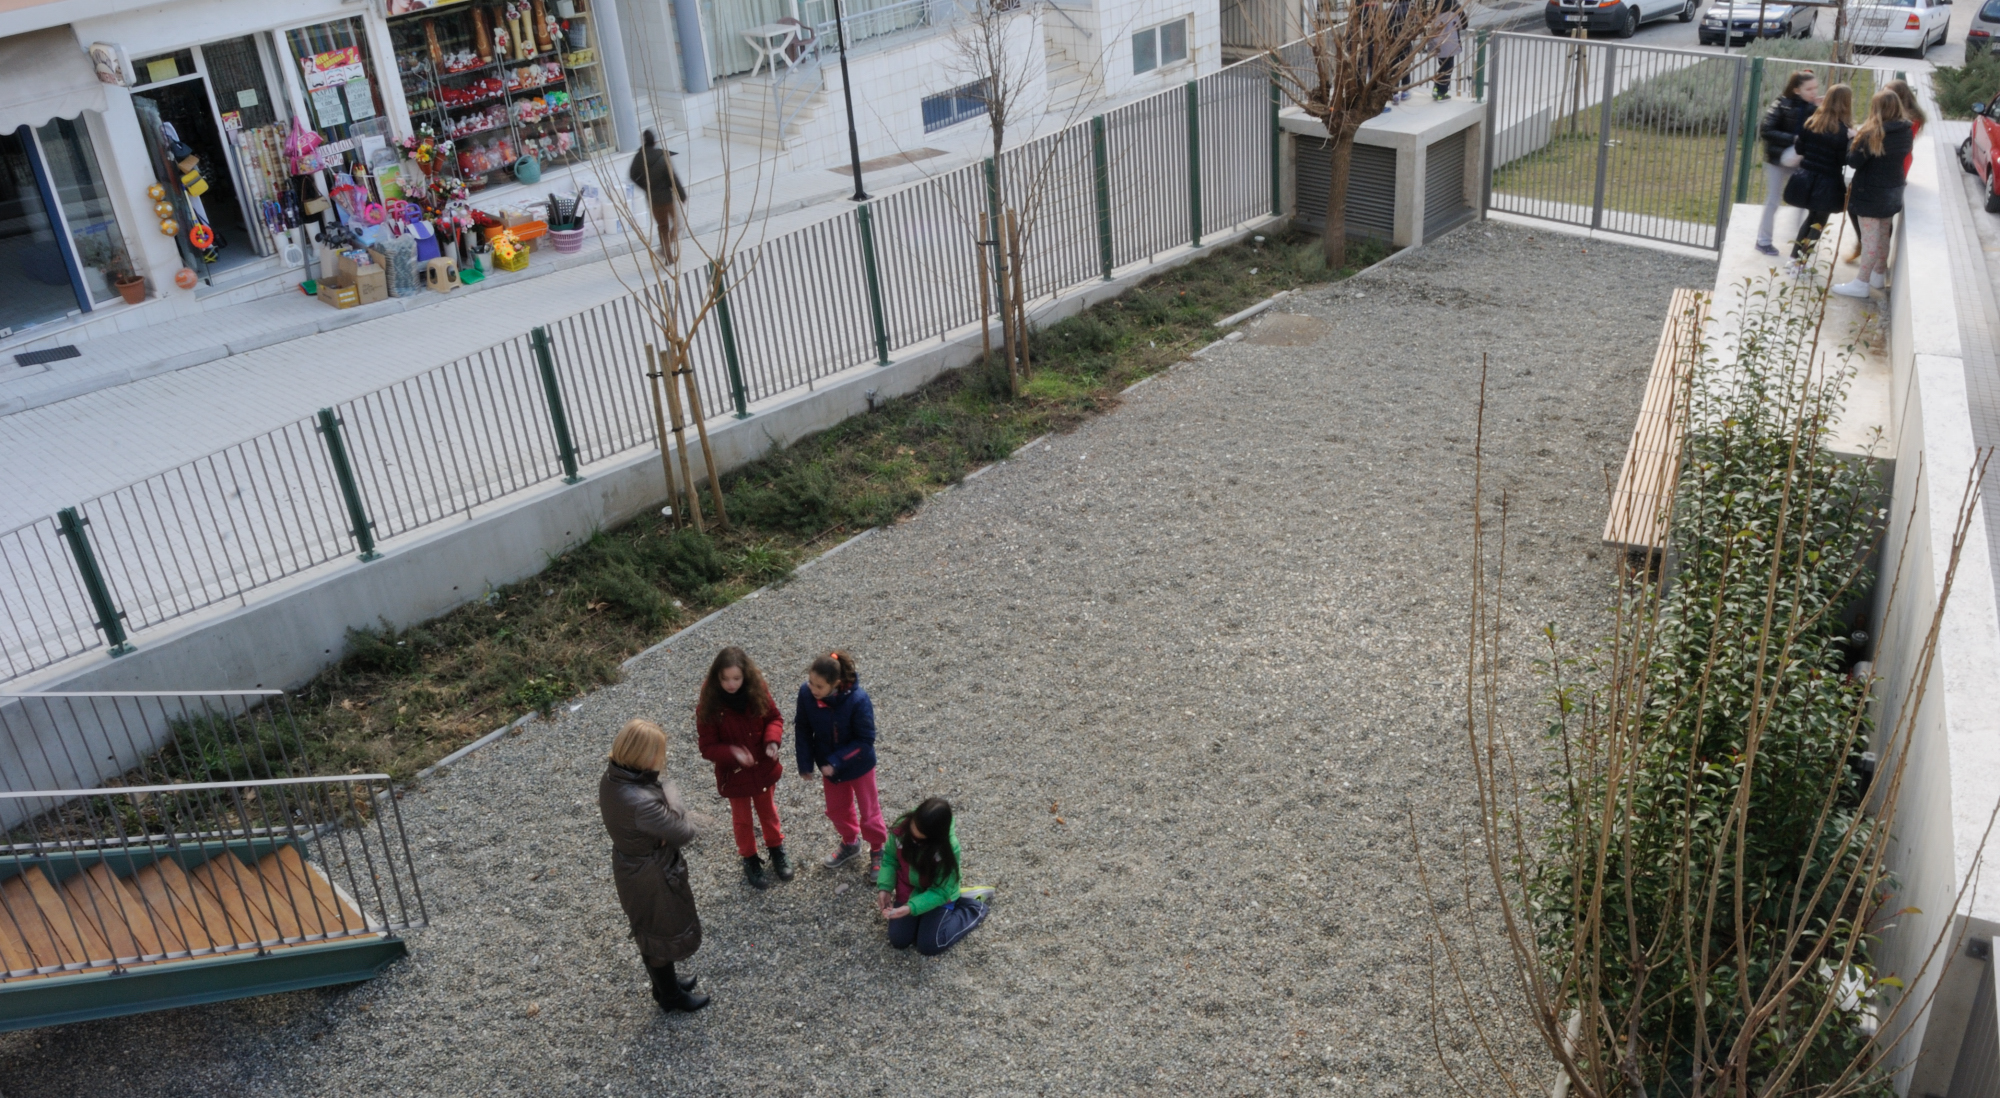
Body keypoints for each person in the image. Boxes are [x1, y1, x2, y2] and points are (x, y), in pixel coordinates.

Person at [598, 719, 710, 1013]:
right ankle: (670, 997)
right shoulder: (641, 802)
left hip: (631, 867)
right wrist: (675, 808)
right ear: (642, 755)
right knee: (659, 935)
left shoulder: (613, 779)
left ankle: (664, 987)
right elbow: (685, 832)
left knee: (649, 931)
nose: (662, 759)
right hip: (652, 875)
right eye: (658, 753)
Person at [694, 647, 793, 889]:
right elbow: (707, 747)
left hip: (762, 766)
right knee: (742, 820)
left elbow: (774, 718)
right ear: (717, 677)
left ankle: (776, 848)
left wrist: (772, 741)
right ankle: (749, 858)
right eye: (725, 679)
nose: (731, 684)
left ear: (745, 676)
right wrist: (732, 753)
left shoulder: (757, 690)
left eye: (736, 678)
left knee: (768, 811)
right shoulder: (709, 704)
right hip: (735, 774)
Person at [795, 650, 888, 874]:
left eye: (819, 686)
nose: (812, 689)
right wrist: (805, 764)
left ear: (836, 684)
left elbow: (866, 740)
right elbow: (803, 728)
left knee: (869, 811)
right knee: (837, 810)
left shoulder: (858, 700)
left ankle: (877, 848)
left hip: (858, 765)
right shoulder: (807, 695)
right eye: (810, 682)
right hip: (831, 769)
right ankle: (850, 842)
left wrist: (836, 760)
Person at [875, 797, 994, 956]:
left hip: (940, 894)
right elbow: (890, 859)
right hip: (909, 887)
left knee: (930, 945)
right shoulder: (901, 828)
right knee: (899, 940)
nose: (912, 840)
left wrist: (911, 908)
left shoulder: (948, 849)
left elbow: (940, 891)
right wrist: (885, 887)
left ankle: (972, 905)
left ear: (934, 839)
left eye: (919, 840)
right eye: (912, 831)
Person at [1834, 89, 1913, 299]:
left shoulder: (1872, 133)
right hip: (1893, 190)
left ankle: (1861, 283)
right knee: (1883, 235)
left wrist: (1852, 140)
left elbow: (1853, 161)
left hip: (1869, 193)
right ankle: (1878, 274)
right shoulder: (1906, 130)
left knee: (1869, 240)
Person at [1784, 83, 1853, 276]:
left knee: (1810, 219)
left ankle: (1793, 259)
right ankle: (1801, 264)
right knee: (1818, 223)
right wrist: (1851, 141)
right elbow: (1844, 160)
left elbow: (1799, 149)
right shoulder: (1842, 131)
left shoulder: (1811, 122)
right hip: (1827, 183)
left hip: (1807, 179)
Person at [1755, 70, 1820, 257]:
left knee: (1801, 202)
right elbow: (1767, 130)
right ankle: (1763, 241)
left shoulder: (1813, 108)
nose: (1813, 92)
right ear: (1796, 90)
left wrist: (1821, 109)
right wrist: (1794, 139)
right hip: (1777, 159)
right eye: (1809, 89)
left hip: (1800, 161)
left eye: (1815, 88)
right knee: (1773, 200)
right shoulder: (1780, 105)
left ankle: (1799, 241)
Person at [627, 129, 688, 263]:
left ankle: (668, 256)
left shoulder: (639, 157)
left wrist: (645, 187)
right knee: (677, 224)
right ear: (655, 142)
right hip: (667, 197)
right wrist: (682, 195)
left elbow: (632, 175)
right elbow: (673, 178)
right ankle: (664, 250)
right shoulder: (662, 156)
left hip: (653, 199)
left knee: (662, 227)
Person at [1431, 0, 1463, 102]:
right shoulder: (1455, 10)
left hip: (1438, 45)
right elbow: (1464, 24)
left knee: (1442, 67)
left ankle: (1436, 88)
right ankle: (1441, 92)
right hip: (1450, 44)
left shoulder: (1436, 11)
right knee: (1447, 68)